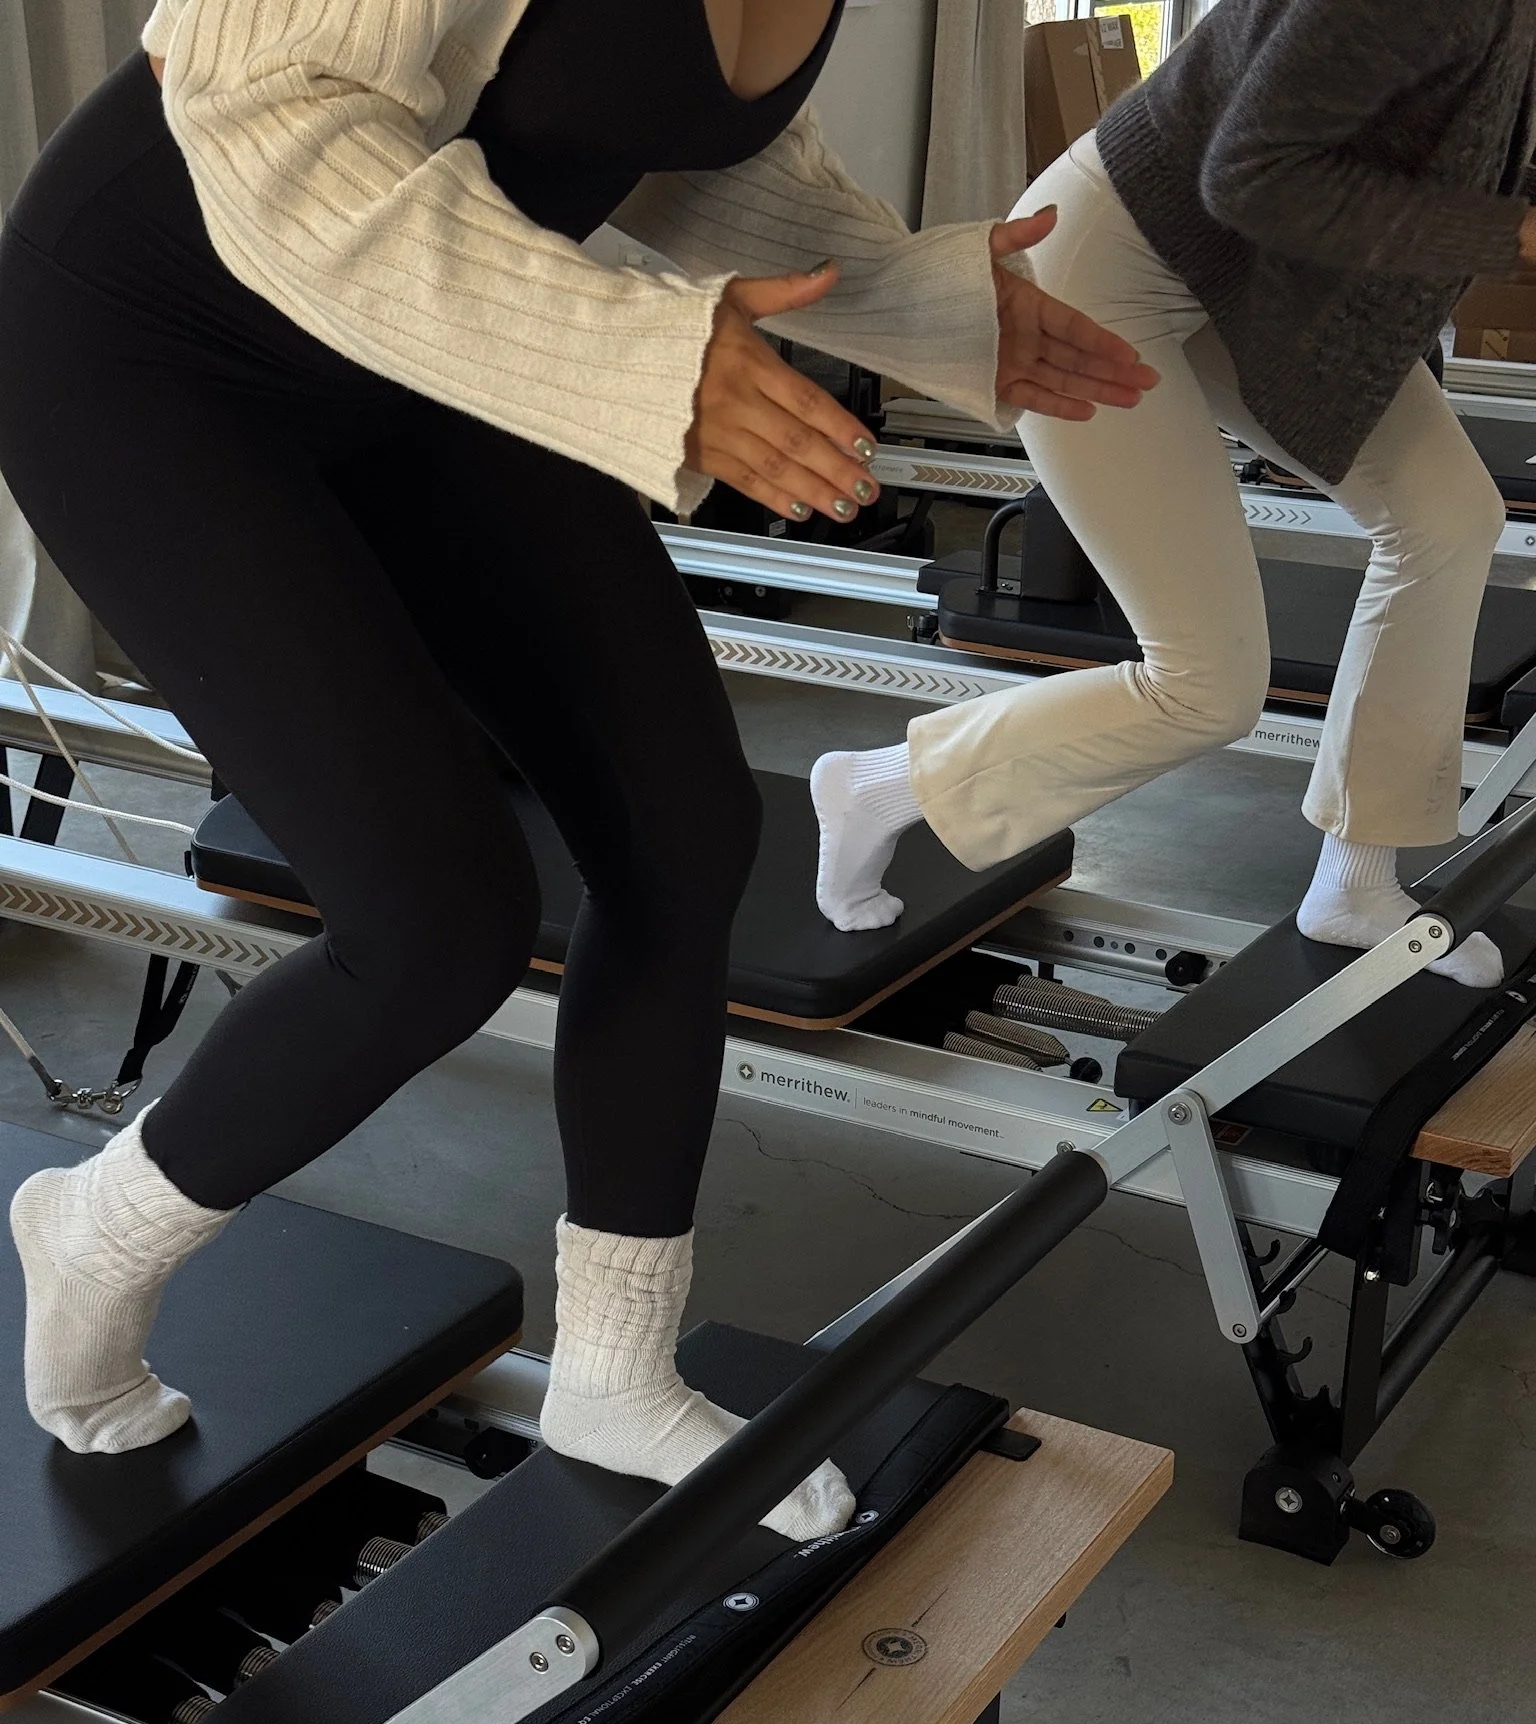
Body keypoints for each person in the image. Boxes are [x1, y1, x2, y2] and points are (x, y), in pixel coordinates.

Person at [0, 0, 1155, 1531]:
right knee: (434, 927)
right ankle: (99, 1225)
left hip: (415, 333)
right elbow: (253, 105)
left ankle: (616, 1366)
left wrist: (927, 305)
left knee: (680, 836)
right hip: (153, 350)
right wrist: (638, 357)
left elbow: (649, 143)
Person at [813, 0, 1536, 991]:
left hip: (1254, 273)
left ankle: (1356, 882)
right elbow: (1256, 171)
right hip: (1114, 261)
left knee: (1448, 513)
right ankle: (878, 786)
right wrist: (1514, 235)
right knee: (1206, 683)